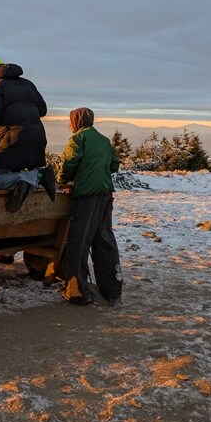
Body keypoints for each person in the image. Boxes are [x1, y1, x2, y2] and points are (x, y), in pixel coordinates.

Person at [56, 107, 123, 305]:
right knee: (104, 238)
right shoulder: (103, 140)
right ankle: (112, 288)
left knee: (80, 239)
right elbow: (114, 164)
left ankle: (76, 290)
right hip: (105, 194)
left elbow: (69, 163)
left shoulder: (78, 138)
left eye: (70, 121)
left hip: (87, 196)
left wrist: (63, 180)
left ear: (76, 121)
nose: (69, 125)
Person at [0, 55, 56, 213]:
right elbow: (42, 110)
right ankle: (38, 174)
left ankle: (33, 178)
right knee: (11, 169)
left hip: (16, 139)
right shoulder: (28, 84)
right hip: (38, 137)